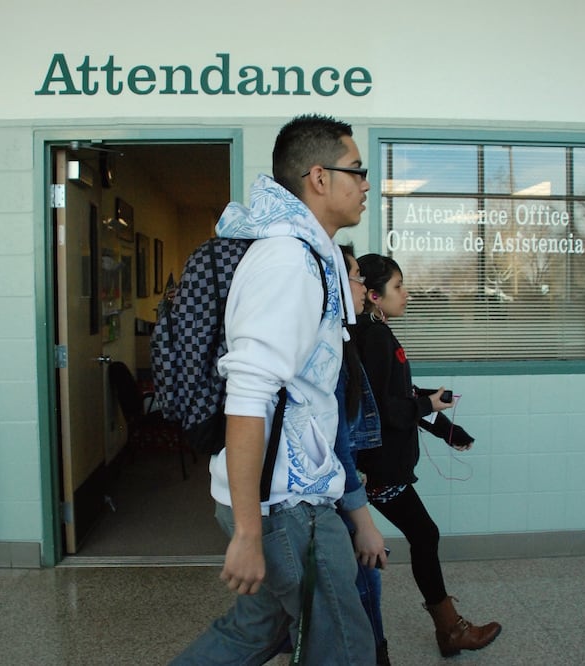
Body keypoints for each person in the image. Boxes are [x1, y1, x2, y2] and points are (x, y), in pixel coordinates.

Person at [172, 115, 376, 665]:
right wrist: (247, 532)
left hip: (286, 498)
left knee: (254, 633)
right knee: (344, 644)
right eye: (356, 171)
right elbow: (247, 396)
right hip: (287, 507)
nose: (365, 183)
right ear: (318, 177)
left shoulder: (315, 253)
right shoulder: (289, 261)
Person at [353, 253, 503, 659]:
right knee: (422, 535)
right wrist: (432, 408)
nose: (407, 294)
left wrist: (444, 427)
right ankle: (447, 630)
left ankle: (432, 633)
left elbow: (401, 397)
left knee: (408, 540)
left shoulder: (371, 334)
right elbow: (386, 410)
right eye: (398, 287)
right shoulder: (375, 338)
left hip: (381, 466)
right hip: (379, 469)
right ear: (373, 295)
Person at [334, 245, 390, 664]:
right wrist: (362, 518)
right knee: (363, 579)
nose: (363, 286)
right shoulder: (337, 348)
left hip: (350, 479)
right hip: (340, 487)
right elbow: (336, 438)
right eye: (355, 276)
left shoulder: (346, 339)